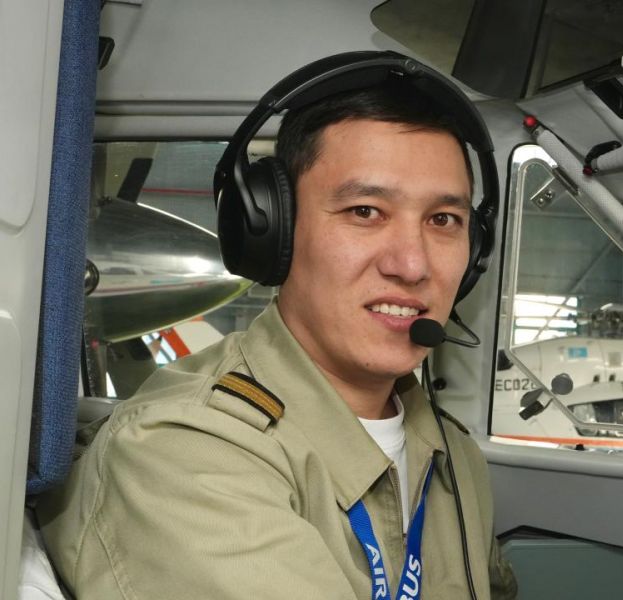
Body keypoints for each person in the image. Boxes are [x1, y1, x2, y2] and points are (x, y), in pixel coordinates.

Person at [37, 52, 518, 599]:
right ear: (272, 232)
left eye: (443, 220)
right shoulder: (183, 455)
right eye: (365, 211)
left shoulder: (453, 454)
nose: (412, 265)